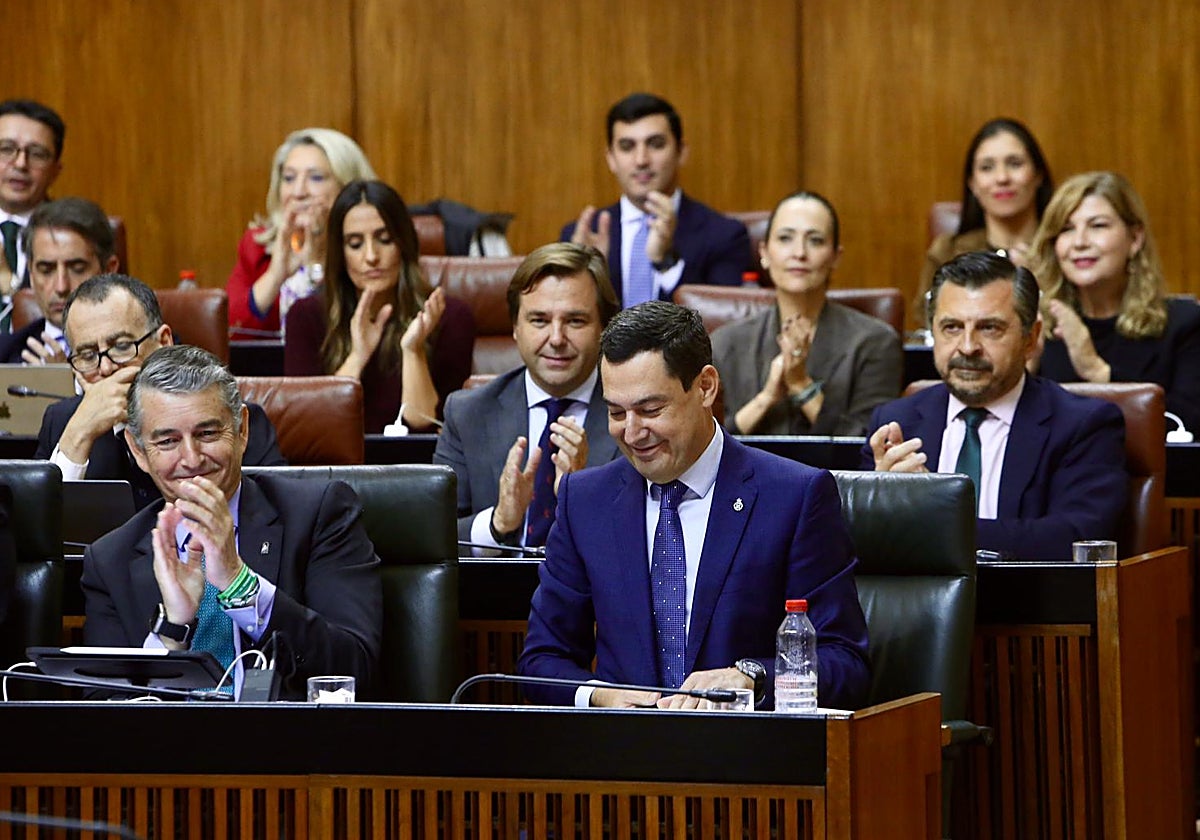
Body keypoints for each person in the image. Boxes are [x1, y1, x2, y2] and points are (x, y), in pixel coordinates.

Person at [517, 301, 870, 710]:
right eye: (616, 412)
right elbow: (542, 660)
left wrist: (752, 678)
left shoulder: (794, 496)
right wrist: (600, 695)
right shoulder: (585, 502)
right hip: (624, 758)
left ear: (705, 387)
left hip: (748, 757)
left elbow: (845, 662)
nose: (632, 433)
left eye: (651, 410)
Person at [80, 345, 381, 699]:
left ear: (241, 432)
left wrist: (240, 584)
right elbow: (104, 713)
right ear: (138, 451)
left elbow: (353, 669)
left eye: (207, 434)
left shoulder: (319, 514)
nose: (191, 459)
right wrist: (172, 629)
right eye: (167, 441)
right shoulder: (110, 559)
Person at [864, 252, 1127, 560]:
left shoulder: (1083, 425)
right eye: (951, 327)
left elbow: (1074, 538)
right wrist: (873, 505)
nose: (967, 347)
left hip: (1032, 605)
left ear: (1031, 338)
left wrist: (935, 514)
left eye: (989, 328)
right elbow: (852, 544)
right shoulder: (897, 424)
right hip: (915, 606)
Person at [36, 274, 285, 509]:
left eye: (122, 346)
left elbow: (275, 526)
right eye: (88, 355)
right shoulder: (62, 424)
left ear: (164, 342)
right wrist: (78, 436)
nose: (106, 367)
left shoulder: (226, 422)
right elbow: (32, 540)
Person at [435, 242, 621, 550]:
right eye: (539, 321)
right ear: (515, 328)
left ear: (603, 328)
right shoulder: (467, 414)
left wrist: (583, 501)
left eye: (575, 321)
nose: (557, 339)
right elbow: (434, 539)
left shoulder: (633, 415)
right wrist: (498, 523)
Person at [284, 180, 474, 433]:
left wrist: (413, 350)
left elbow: (425, 425)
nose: (371, 255)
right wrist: (358, 356)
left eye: (384, 239)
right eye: (355, 244)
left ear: (403, 244)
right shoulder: (306, 316)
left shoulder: (449, 317)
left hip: (418, 468)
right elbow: (310, 428)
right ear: (340, 253)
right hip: (334, 470)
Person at [711, 191, 902, 435]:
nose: (799, 253)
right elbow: (707, 445)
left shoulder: (875, 342)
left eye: (815, 241)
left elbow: (870, 447)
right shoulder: (725, 342)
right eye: (785, 238)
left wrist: (802, 385)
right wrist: (766, 398)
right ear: (764, 253)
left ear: (836, 256)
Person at [1029, 171, 1200, 432]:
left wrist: (1098, 372)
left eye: (1098, 226)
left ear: (1135, 239)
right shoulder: (1041, 328)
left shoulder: (1184, 324)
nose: (1080, 242)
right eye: (1066, 229)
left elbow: (1185, 427)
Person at [560, 93, 750, 307]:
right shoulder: (581, 236)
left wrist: (666, 263)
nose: (641, 160)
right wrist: (585, 275)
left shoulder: (724, 235)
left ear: (681, 152)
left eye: (656, 144)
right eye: (626, 146)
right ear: (611, 159)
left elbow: (720, 326)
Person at [226, 128, 376, 335]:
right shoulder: (257, 246)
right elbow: (229, 333)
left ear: (348, 187)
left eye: (315, 178)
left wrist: (315, 266)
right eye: (289, 178)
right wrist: (275, 275)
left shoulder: (369, 248)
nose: (298, 192)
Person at [916, 118, 1053, 326]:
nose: (1002, 178)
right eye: (987, 167)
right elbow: (929, 325)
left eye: (1015, 164)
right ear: (972, 183)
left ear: (1038, 175)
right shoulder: (947, 251)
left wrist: (1041, 283)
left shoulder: (1065, 249)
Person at [0, 197, 119, 364]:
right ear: (31, 275)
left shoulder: (144, 350)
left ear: (109, 271)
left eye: (77, 268)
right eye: (46, 270)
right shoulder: (5, 355)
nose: (61, 287)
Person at [0, 99, 64, 297]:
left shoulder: (75, 236)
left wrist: (9, 285)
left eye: (37, 154)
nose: (20, 164)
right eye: (6, 149)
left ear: (55, 170)